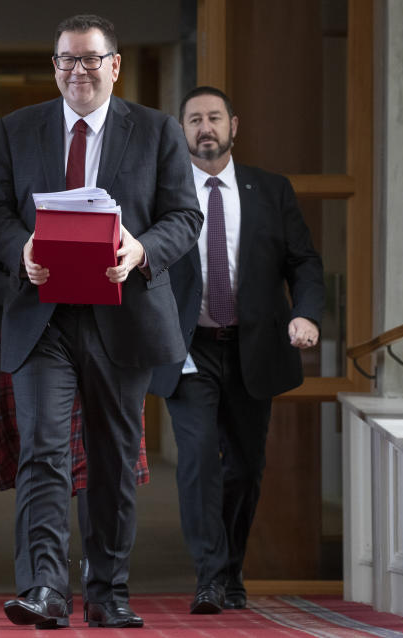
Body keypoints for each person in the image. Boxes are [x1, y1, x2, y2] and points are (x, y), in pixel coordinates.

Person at [0, 15, 202, 629]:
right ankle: (45, 588)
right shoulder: (17, 130)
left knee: (113, 457)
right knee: (43, 451)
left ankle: (107, 590)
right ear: (54, 67)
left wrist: (142, 250)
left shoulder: (156, 132)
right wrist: (21, 247)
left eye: (89, 60)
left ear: (115, 65)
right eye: (66, 61)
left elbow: (185, 216)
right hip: (41, 321)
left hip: (122, 320)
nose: (78, 71)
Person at [148, 86, 324, 614]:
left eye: (215, 118)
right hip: (188, 347)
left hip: (253, 347)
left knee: (245, 468)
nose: (206, 127)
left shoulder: (271, 190)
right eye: (195, 119)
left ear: (234, 126)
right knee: (198, 460)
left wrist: (306, 313)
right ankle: (209, 576)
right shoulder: (162, 195)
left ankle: (230, 569)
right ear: (182, 130)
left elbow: (305, 264)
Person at [0, 237, 150, 601]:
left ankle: (101, 584)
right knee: (44, 457)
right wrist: (24, 281)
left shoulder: (118, 215)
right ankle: (47, 582)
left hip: (108, 335)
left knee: (100, 462)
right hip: (35, 336)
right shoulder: (19, 218)